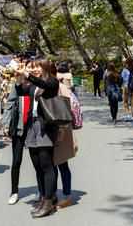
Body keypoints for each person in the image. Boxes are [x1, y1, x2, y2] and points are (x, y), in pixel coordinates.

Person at [17, 59, 61, 218]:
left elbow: (47, 87)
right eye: (33, 67)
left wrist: (27, 75)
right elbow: (21, 91)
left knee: (46, 164)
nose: (35, 70)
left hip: (45, 127)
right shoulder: (34, 85)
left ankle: (49, 201)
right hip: (32, 125)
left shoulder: (52, 82)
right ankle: (43, 196)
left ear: (45, 68)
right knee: (36, 164)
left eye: (37, 67)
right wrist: (19, 78)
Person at [1, 60, 35, 205]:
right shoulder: (18, 84)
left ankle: (41, 189)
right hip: (19, 125)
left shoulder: (38, 84)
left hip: (34, 126)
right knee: (16, 160)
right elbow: (9, 103)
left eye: (32, 67)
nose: (30, 69)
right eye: (27, 67)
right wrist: (6, 124)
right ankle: (14, 191)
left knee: (37, 161)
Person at [54, 75, 79, 209]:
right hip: (54, 130)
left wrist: (63, 132)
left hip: (62, 131)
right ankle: (52, 194)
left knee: (62, 164)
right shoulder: (50, 86)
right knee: (53, 165)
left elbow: (66, 112)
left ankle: (67, 196)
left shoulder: (61, 88)